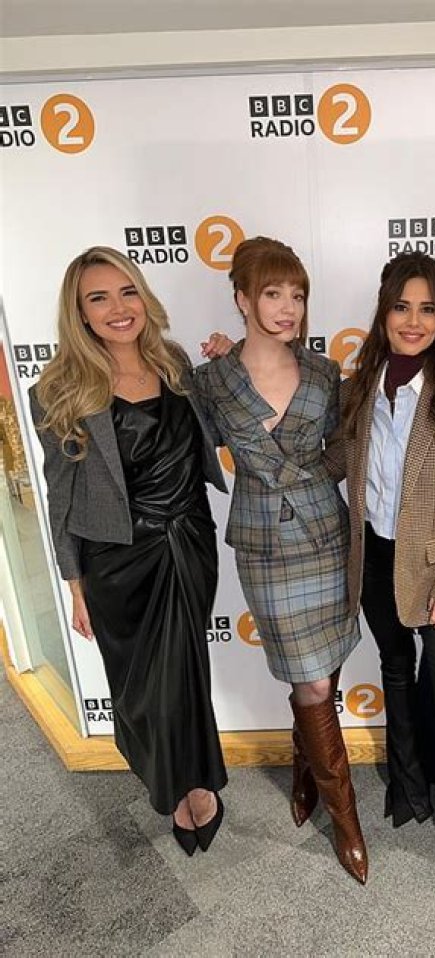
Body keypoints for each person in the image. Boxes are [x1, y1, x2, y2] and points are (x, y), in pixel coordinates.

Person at [31, 246, 229, 857]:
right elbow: (59, 496)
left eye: (127, 292)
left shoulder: (174, 363)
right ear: (80, 313)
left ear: (143, 297)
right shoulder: (58, 390)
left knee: (187, 675)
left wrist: (228, 364)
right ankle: (172, 782)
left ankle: (196, 785)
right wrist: (74, 585)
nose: (118, 308)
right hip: (117, 561)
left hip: (188, 542)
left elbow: (217, 433)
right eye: (99, 298)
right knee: (143, 692)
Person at [193, 236, 368, 885]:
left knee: (321, 675)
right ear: (242, 299)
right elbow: (193, 450)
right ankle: (348, 824)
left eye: (297, 294)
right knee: (312, 682)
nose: (288, 306)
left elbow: (345, 446)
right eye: (272, 293)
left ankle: (304, 770)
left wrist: (310, 478)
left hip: (326, 539)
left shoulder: (325, 372)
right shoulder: (210, 381)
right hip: (265, 548)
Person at [325, 251, 435, 902]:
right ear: (384, 313)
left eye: (428, 309)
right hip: (373, 558)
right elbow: (335, 462)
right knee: (395, 671)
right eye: (402, 307)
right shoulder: (357, 388)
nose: (414, 321)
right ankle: (407, 788)